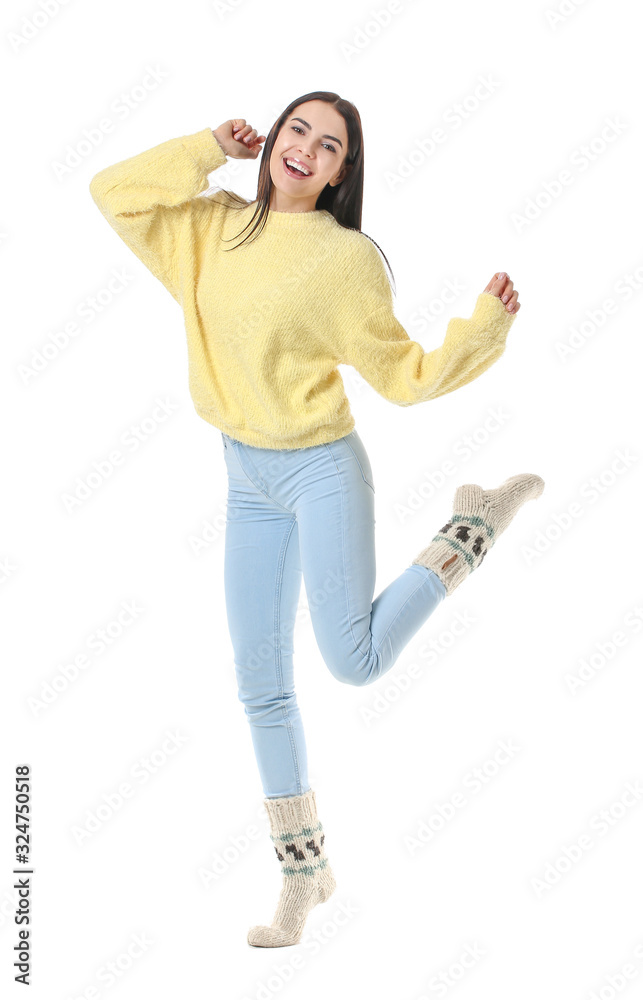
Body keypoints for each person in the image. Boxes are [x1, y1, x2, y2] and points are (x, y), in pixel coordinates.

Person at [89, 90, 545, 949]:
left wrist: (482, 328)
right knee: (259, 684)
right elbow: (113, 191)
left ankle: (471, 528)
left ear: (342, 173)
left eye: (328, 145)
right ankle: (304, 874)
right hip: (244, 477)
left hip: (321, 470)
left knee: (355, 662)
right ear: (272, 141)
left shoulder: (344, 261)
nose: (304, 148)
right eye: (296, 128)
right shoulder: (206, 228)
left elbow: (404, 375)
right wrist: (204, 147)